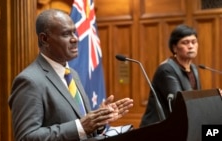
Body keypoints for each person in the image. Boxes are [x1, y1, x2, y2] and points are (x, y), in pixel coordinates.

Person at [8, 9, 134, 141]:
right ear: (44, 39)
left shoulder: (72, 74)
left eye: (74, 32)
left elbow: (82, 128)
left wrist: (99, 120)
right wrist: (81, 126)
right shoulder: (29, 81)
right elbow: (26, 137)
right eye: (66, 34)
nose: (75, 39)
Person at [139, 24, 201, 127]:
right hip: (157, 129)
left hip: (180, 125)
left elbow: (197, 97)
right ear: (174, 48)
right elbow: (179, 103)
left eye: (194, 42)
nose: (191, 46)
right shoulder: (166, 69)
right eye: (185, 43)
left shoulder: (194, 68)